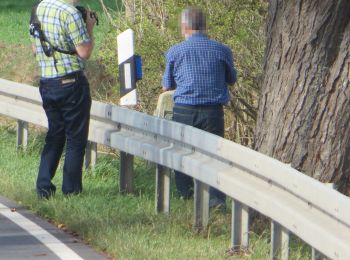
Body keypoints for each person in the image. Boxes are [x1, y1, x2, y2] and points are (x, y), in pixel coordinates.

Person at [162, 7, 237, 208]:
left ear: (185, 26)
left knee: (182, 151)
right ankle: (216, 199)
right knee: (214, 155)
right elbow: (232, 79)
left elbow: (167, 84)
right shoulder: (222, 50)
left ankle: (186, 194)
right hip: (213, 111)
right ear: (204, 26)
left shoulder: (175, 51)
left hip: (184, 110)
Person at [29, 0, 96, 198]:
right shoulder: (70, 13)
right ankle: (71, 191)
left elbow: (35, 50)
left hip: (47, 83)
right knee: (75, 139)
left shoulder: (37, 9)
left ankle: (43, 187)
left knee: (55, 135)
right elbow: (84, 52)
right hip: (71, 83)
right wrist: (89, 28)